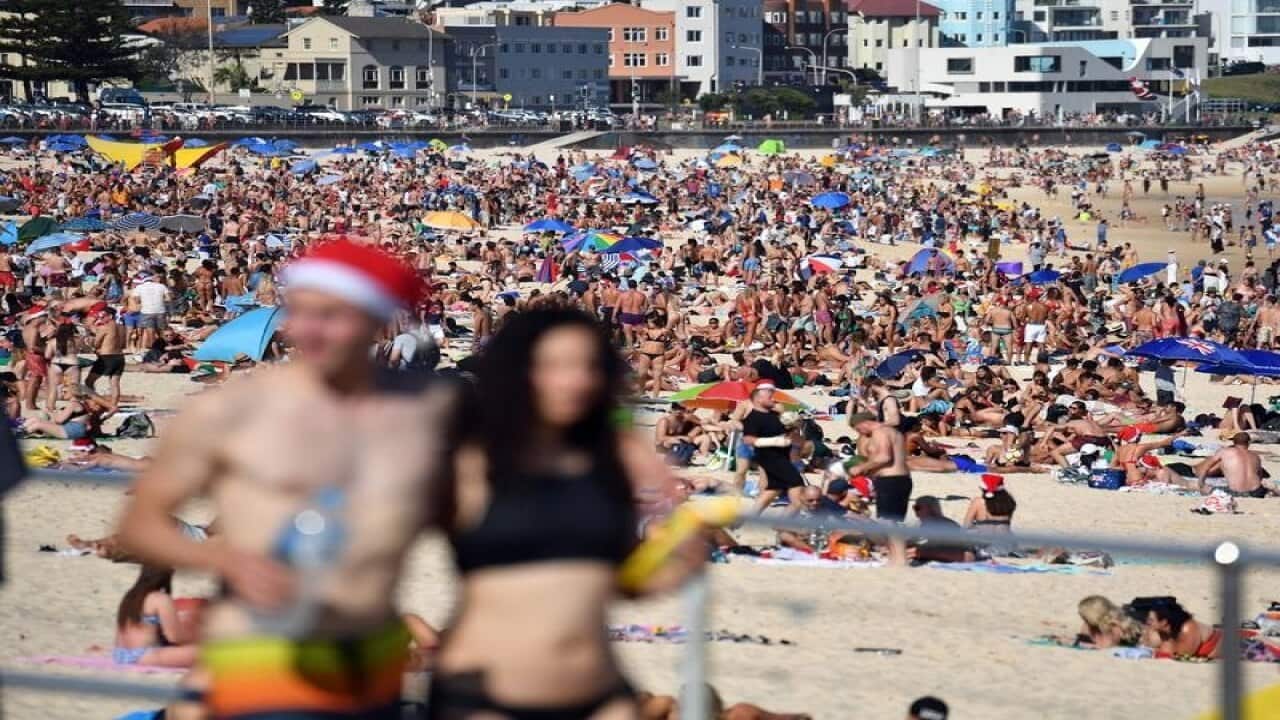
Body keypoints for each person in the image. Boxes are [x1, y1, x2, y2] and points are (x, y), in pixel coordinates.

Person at [118, 241, 456, 720]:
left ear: (375, 320)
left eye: (332, 315)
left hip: (368, 663)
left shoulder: (426, 411)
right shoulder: (233, 409)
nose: (308, 330)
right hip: (260, 656)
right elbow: (140, 523)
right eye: (300, 313)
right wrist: (215, 554)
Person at [433, 308, 697, 719]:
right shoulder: (472, 463)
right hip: (485, 697)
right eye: (553, 365)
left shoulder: (614, 461)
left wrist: (682, 562)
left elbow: (621, 584)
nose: (575, 380)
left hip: (600, 693)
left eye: (588, 366)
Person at [845, 413, 913, 564]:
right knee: (893, 521)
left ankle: (899, 559)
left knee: (889, 522)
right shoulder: (893, 431)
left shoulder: (880, 432)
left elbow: (884, 457)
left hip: (891, 480)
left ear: (864, 423)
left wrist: (861, 467)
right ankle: (895, 556)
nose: (860, 433)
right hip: (900, 479)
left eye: (858, 429)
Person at [113, 564, 199, 667]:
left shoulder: (130, 596)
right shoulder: (160, 598)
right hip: (144, 655)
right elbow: (174, 637)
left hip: (120, 654)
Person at [741, 383, 807, 515]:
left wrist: (792, 422)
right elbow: (748, 439)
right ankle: (785, 523)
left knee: (773, 489)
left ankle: (747, 519)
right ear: (759, 399)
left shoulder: (773, 414)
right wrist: (775, 441)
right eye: (770, 397)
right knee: (798, 488)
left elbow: (787, 433)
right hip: (770, 457)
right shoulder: (753, 418)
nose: (773, 399)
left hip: (781, 456)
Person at [1195, 433, 1271, 497]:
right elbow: (1260, 476)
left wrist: (1201, 484)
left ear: (1234, 442)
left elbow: (1206, 467)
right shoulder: (1256, 456)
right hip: (1257, 492)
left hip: (1235, 492)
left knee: (1208, 489)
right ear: (1248, 443)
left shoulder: (1223, 452)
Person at [1144, 600, 1222, 659]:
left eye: (1151, 620)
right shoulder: (1160, 630)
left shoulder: (1188, 628)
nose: (1147, 622)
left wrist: (1156, 650)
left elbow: (1179, 655)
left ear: (1164, 622)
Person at [907, 496, 973, 564]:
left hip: (962, 555)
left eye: (917, 508)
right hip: (959, 554)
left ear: (930, 509)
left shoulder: (935, 523)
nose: (915, 511)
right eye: (914, 508)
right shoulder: (929, 523)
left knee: (918, 550)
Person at [1076, 595, 1141, 649]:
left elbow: (1107, 646)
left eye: (1086, 619)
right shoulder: (1101, 625)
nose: (1085, 623)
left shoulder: (1113, 627)